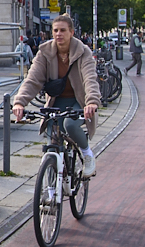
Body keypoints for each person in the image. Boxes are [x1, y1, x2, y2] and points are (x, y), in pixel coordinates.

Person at [12, 16, 102, 177]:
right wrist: (20, 102)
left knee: (71, 125)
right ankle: (51, 192)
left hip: (78, 101)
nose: (58, 34)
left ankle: (87, 153)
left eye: (63, 30)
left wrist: (92, 101)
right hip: (56, 101)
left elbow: (90, 78)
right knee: (52, 143)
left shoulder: (83, 52)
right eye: (55, 30)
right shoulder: (45, 52)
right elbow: (33, 79)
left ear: (71, 32)